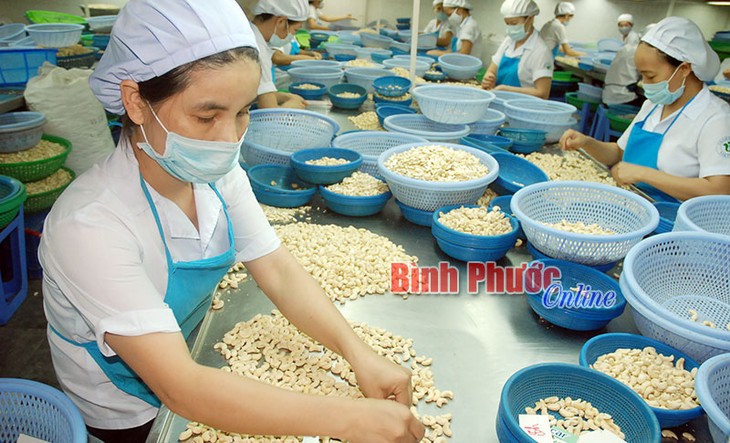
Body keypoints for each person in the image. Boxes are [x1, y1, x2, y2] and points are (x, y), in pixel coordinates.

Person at [41, 1, 427, 442]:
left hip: (184, 361)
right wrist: (349, 419)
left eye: (243, 111)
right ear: (136, 102)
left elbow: (278, 271)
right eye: (207, 116)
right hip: (123, 406)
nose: (230, 139)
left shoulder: (216, 173)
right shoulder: (89, 226)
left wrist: (359, 355)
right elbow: (182, 387)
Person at [560, 17, 730, 202]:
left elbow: (720, 190)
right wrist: (586, 143)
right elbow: (618, 152)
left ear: (684, 69)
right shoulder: (654, 104)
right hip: (632, 203)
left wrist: (643, 174)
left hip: (671, 219)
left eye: (650, 76)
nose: (645, 84)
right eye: (642, 75)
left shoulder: (716, 118)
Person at [480, 0, 553, 99]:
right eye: (507, 23)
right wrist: (488, 78)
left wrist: (507, 90)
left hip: (522, 108)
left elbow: (542, 93)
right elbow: (492, 70)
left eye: (514, 23)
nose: (510, 28)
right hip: (499, 101)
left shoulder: (541, 51)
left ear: (530, 19)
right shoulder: (508, 41)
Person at [251, 0, 309, 109]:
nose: (293, 35)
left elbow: (250, 94)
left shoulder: (251, 34)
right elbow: (271, 116)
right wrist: (290, 107)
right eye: (295, 30)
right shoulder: (257, 49)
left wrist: (283, 97)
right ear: (281, 21)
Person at [602, 23, 654, 106]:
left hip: (607, 94)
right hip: (624, 97)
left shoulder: (626, 48)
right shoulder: (644, 53)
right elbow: (649, 76)